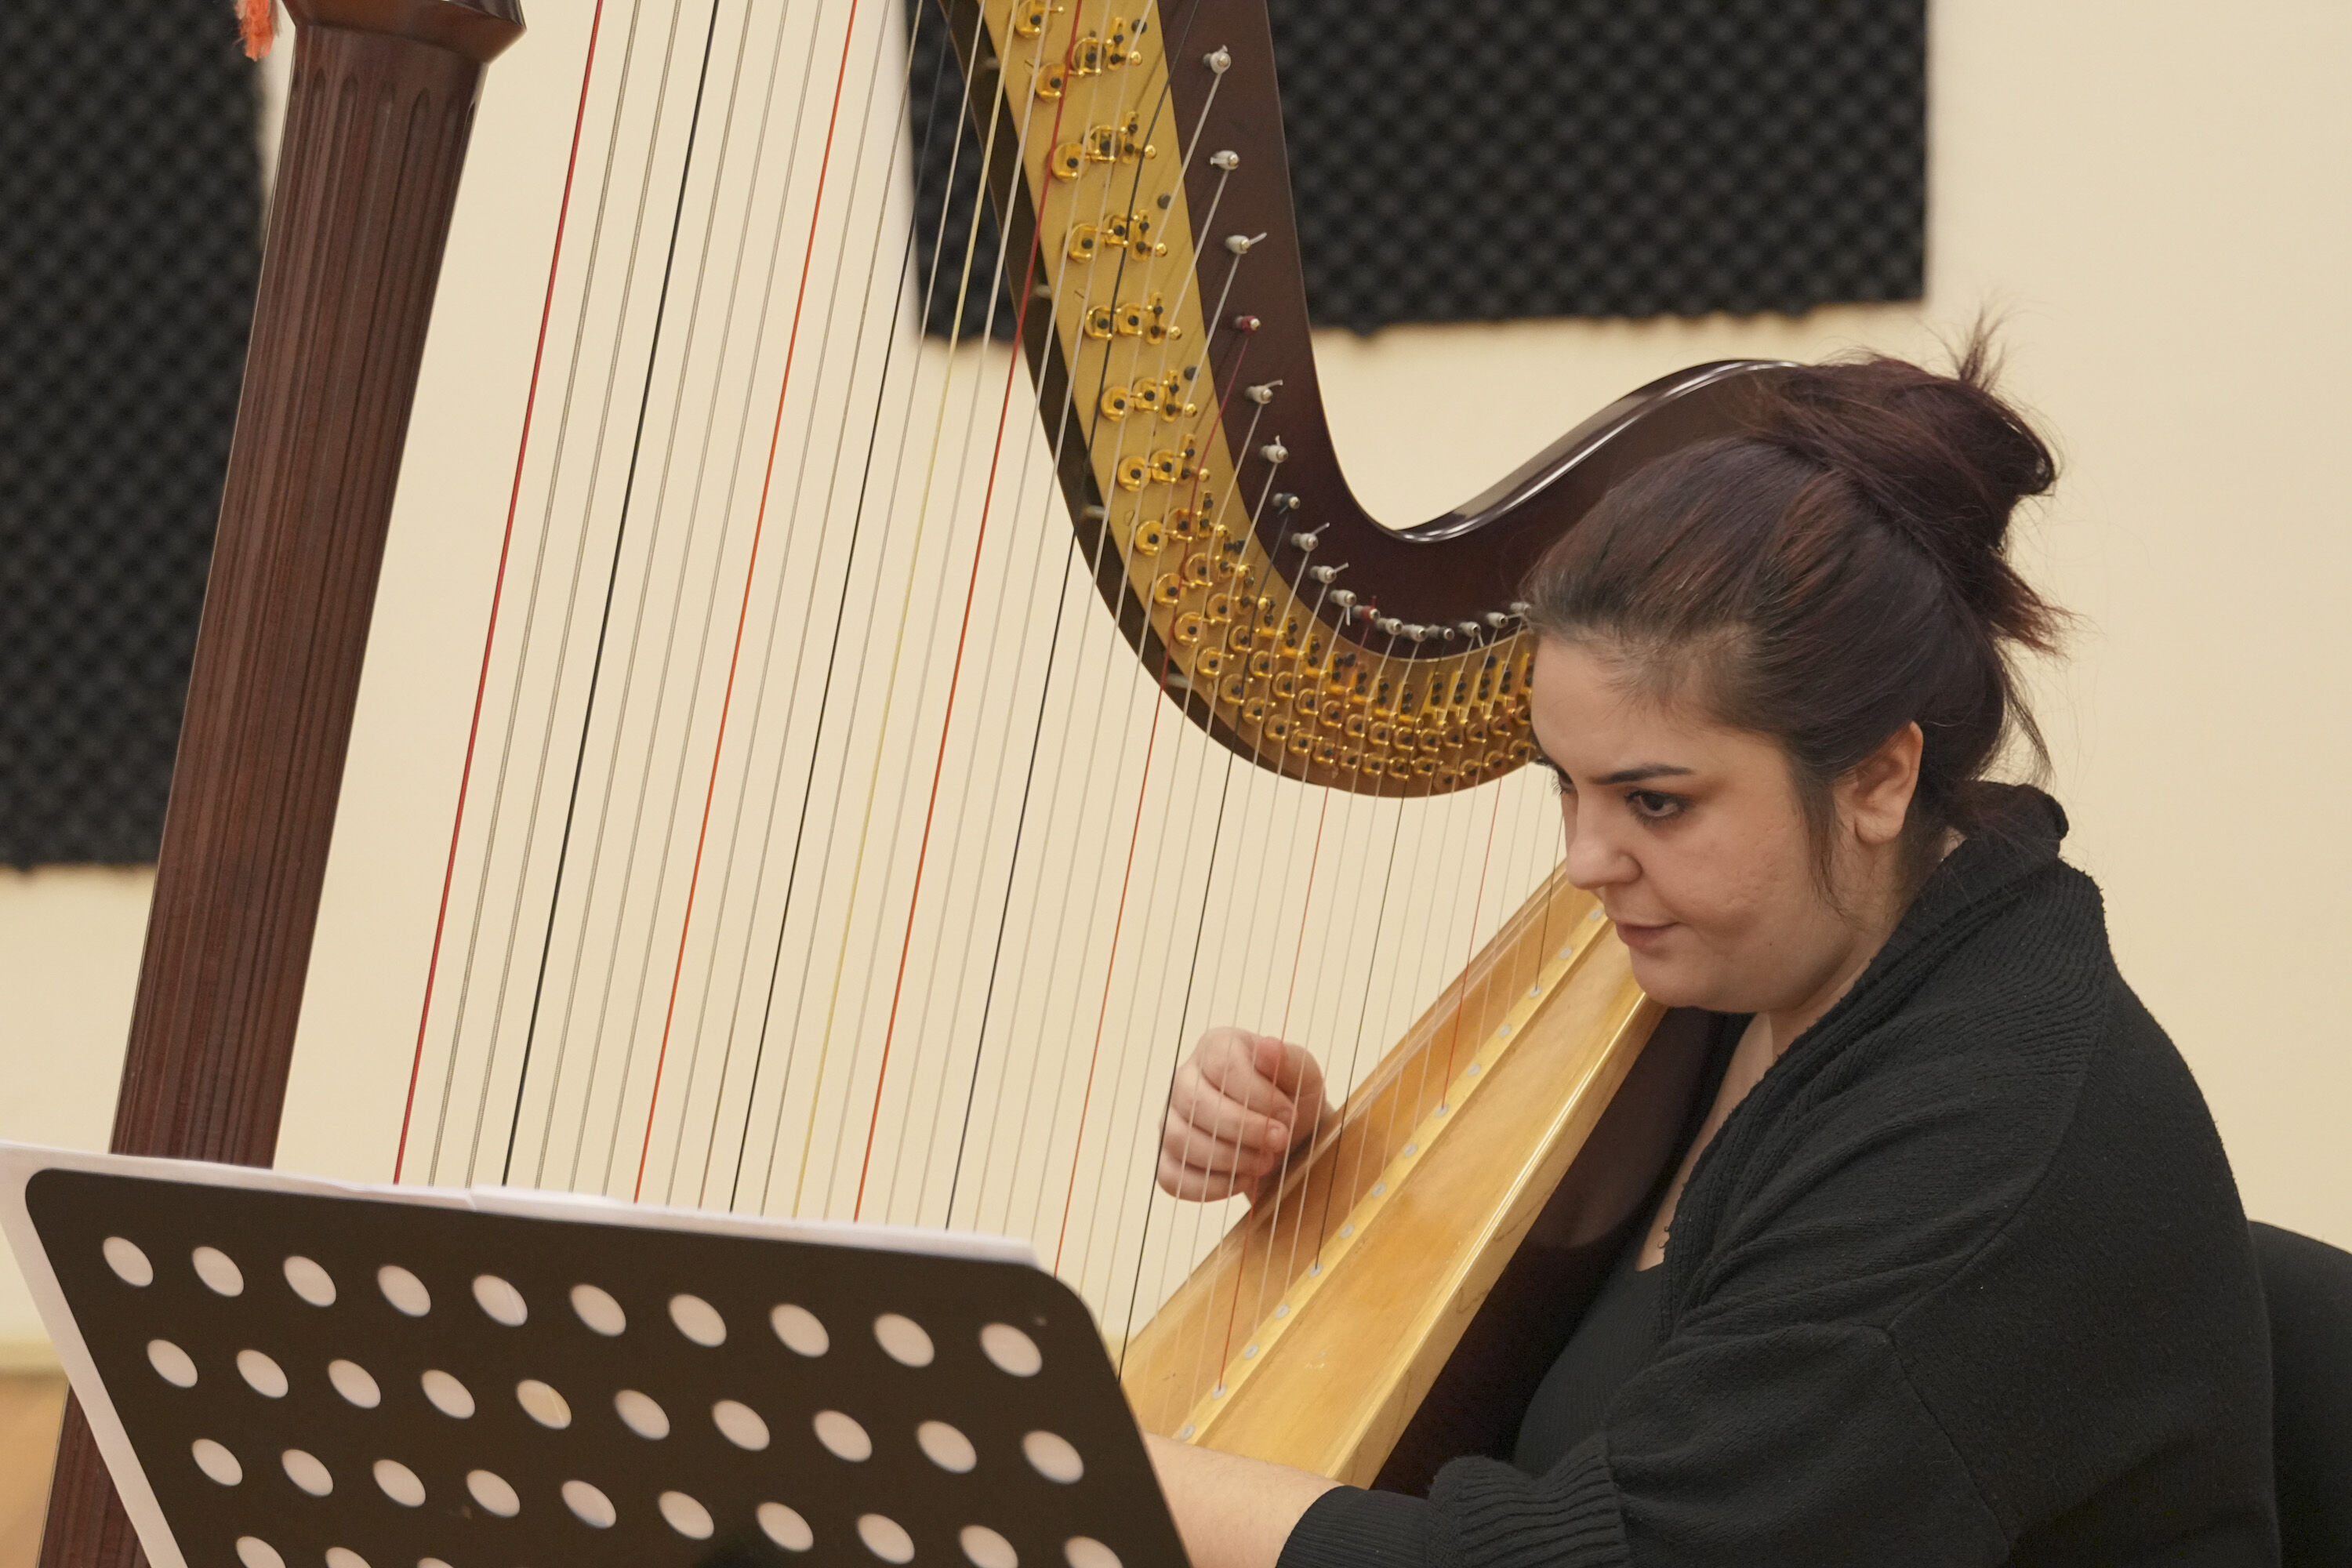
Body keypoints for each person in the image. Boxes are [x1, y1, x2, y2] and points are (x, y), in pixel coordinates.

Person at [1144, 339, 2280, 1566]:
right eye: (1564, 788)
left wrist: (1111, 1467)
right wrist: (1337, 1171)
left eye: (1656, 802)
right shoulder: (1778, 967)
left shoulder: (1985, 1135)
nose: (1585, 861)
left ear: (1878, 779)